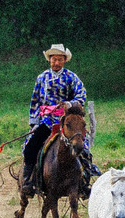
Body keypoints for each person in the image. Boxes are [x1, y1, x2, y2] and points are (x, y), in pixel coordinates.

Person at [22, 44, 98, 192]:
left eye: (60, 60)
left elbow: (81, 94)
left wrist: (69, 104)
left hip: (67, 120)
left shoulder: (71, 77)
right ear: (49, 60)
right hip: (47, 121)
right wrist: (34, 122)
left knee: (84, 148)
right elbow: (35, 101)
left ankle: (85, 180)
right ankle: (28, 181)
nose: (56, 63)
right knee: (31, 147)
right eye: (54, 59)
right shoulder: (41, 78)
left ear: (64, 60)